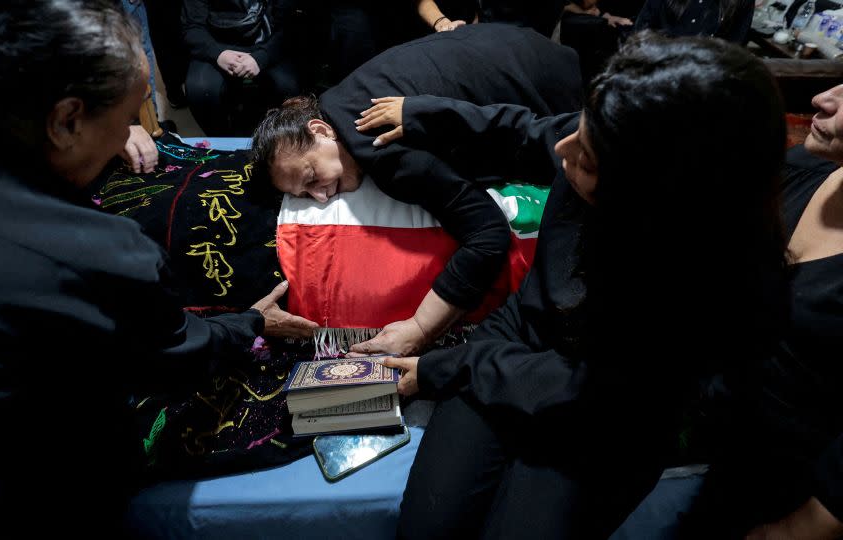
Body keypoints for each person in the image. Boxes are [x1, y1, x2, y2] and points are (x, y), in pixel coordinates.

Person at [0, 1, 316, 537]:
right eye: (130, 115)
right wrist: (250, 323)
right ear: (66, 121)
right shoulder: (99, 254)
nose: (133, 135)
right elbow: (174, 355)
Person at [356, 33, 789, 538]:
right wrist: (423, 113)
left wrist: (441, 368)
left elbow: (591, 391)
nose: (565, 150)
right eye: (580, 128)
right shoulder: (607, 139)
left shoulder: (713, 290)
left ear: (656, 199)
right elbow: (526, 131)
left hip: (606, 423)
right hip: (514, 346)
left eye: (587, 160)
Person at [251, 23, 582, 356]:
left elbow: (487, 234)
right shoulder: (336, 100)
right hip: (522, 44)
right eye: (305, 195)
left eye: (311, 178)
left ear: (320, 129)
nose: (321, 197)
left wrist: (421, 328)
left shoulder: (381, 150)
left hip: (554, 95)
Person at [678, 84, 843, 539]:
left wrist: (798, 529)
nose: (823, 99)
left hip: (770, 487)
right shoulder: (806, 169)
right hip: (698, 428)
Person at [182, 0, 301, 135]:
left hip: (267, 43)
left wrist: (262, 57)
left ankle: (277, 138)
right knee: (200, 89)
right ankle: (222, 143)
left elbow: (288, 27)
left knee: (288, 87)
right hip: (218, 43)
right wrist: (218, 54)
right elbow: (192, 27)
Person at [633, 0, 755, 44]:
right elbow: (641, 29)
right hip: (659, 65)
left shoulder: (742, 2)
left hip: (706, 76)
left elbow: (734, 47)